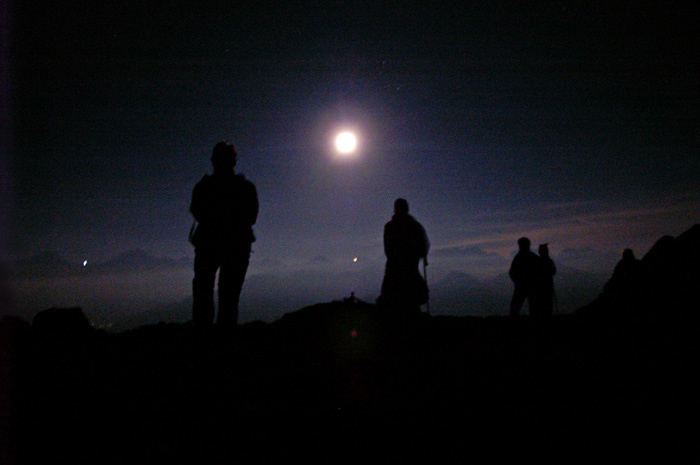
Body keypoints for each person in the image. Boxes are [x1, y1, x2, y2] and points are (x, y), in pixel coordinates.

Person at [189, 141, 259, 328]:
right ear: (234, 161)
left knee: (204, 292)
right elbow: (252, 217)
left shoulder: (203, 187)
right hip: (236, 246)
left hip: (209, 244)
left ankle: (204, 339)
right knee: (229, 296)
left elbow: (196, 211)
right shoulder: (245, 188)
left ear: (213, 160)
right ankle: (224, 342)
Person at [377, 198, 430, 314]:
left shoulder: (390, 227)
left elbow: (388, 251)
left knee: (392, 303)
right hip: (410, 270)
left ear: (395, 209)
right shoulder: (415, 227)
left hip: (394, 270)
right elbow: (422, 248)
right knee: (411, 303)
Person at [508, 237, 539, 317]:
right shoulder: (534, 257)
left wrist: (516, 281)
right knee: (534, 307)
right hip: (531, 286)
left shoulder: (518, 258)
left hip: (521, 286)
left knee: (515, 307)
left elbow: (512, 272)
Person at [531, 243, 557, 317]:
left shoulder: (537, 262)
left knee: (541, 305)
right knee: (548, 304)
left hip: (539, 287)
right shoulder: (549, 261)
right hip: (547, 286)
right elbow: (553, 271)